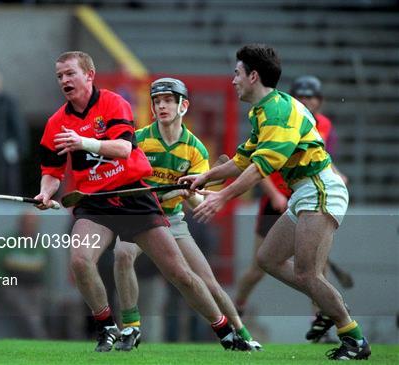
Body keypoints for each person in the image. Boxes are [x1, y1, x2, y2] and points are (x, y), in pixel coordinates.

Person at [34, 51, 253, 352]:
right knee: (81, 261)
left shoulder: (114, 103)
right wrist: (46, 192)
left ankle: (225, 330)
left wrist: (83, 142)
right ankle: (108, 325)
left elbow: (124, 148)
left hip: (133, 196)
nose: (64, 80)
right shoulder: (56, 123)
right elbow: (52, 171)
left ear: (89, 75)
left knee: (181, 274)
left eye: (70, 73)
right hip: (95, 202)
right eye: (60, 76)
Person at [180, 44, 371, 360]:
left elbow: (261, 168)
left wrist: (222, 197)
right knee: (267, 259)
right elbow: (243, 160)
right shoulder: (262, 110)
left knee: (307, 273)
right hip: (304, 192)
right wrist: (204, 178)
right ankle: (331, 303)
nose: (233, 80)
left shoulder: (278, 110)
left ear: (253, 76)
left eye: (237, 73)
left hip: (320, 189)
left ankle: (353, 339)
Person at [113, 78, 260, 351]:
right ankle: (131, 328)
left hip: (173, 221)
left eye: (168, 100)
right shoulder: (140, 140)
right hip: (140, 217)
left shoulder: (196, 149)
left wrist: (197, 196)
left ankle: (243, 334)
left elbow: (194, 201)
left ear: (184, 106)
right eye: (157, 101)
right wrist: (166, 193)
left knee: (208, 282)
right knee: (122, 254)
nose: (161, 106)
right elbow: (128, 187)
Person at [234, 75, 353, 344]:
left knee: (315, 269)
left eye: (311, 97)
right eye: (302, 97)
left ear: (319, 101)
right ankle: (236, 310)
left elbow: (323, 158)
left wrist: (338, 175)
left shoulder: (324, 125)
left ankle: (321, 322)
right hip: (276, 201)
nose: (306, 101)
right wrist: (275, 195)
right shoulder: (278, 117)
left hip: (311, 197)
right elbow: (259, 164)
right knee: (259, 266)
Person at [0, 210, 47, 338]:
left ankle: (36, 339)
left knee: (38, 312)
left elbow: (47, 267)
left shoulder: (40, 243)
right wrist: (4, 282)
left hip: (35, 286)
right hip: (14, 286)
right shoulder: (8, 241)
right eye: (28, 223)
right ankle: (41, 339)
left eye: (34, 224)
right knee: (30, 313)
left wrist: (46, 285)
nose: (31, 227)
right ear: (21, 224)